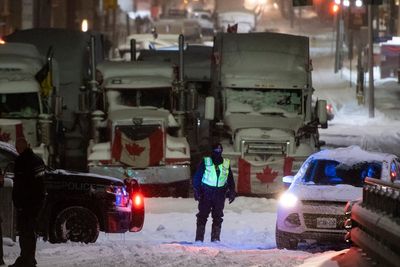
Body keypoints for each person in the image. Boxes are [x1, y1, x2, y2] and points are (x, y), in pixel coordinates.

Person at [10, 138, 46, 267]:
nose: (16, 148)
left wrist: (20, 202)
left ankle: (27, 260)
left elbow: (22, 185)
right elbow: (40, 183)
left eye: (17, 146)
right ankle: (28, 258)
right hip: (35, 202)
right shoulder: (37, 160)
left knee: (26, 232)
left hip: (27, 204)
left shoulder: (23, 161)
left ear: (22, 146)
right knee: (29, 231)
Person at [192, 143, 236, 242]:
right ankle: (199, 239)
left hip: (220, 193)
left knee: (217, 215)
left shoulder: (226, 163)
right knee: (202, 215)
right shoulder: (206, 161)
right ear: (212, 151)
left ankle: (215, 239)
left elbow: (230, 179)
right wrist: (197, 190)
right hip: (206, 192)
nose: (218, 152)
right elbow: (197, 177)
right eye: (216, 150)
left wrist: (232, 191)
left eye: (220, 150)